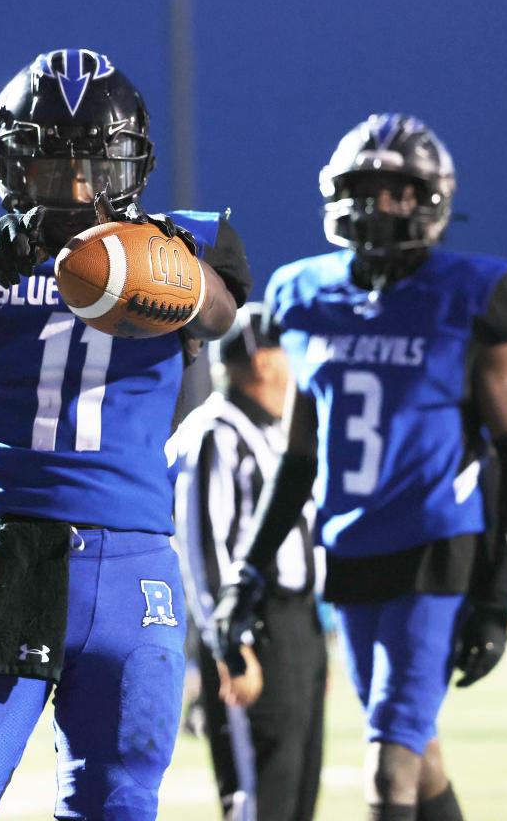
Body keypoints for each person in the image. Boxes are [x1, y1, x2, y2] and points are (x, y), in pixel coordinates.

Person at [0, 48, 250, 821]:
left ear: (133, 167)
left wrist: (159, 261)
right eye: (54, 168)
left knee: (115, 806)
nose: (80, 189)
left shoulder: (180, 243)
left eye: (98, 166)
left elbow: (220, 313)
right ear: (11, 166)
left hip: (133, 567)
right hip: (14, 562)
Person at [213, 113, 507, 821]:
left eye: (398, 191)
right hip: (351, 551)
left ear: (430, 200)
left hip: (434, 546)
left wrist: (495, 594)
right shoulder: (309, 296)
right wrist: (248, 569)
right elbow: (299, 459)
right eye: (364, 189)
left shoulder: (470, 293)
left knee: (386, 768)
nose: (379, 207)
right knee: (417, 757)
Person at [174, 302, 327, 821]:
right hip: (253, 628)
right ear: (262, 359)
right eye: (287, 350)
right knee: (259, 799)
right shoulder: (216, 430)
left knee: (297, 790)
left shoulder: (279, 432)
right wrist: (230, 646)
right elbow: (202, 550)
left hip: (296, 626)